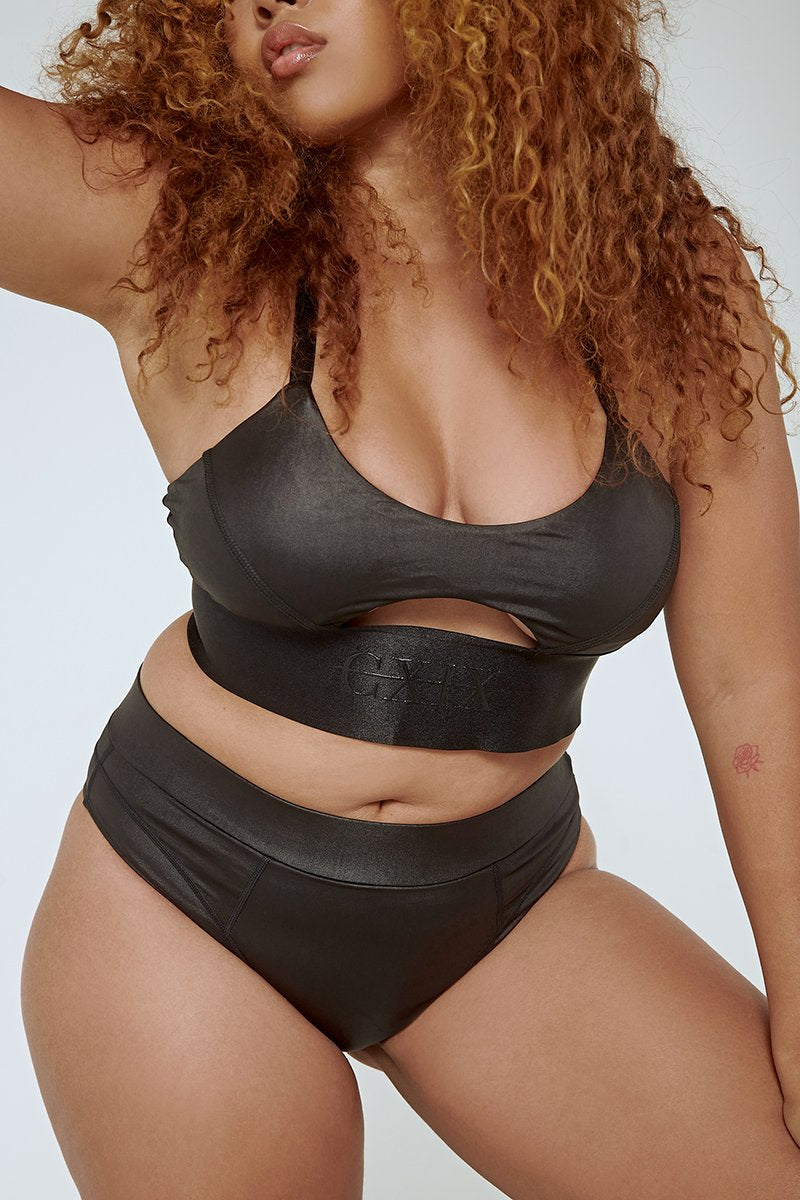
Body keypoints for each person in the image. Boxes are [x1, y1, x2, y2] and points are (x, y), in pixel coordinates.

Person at [7, 1, 800, 1196]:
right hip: (182, 891)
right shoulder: (174, 222)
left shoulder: (658, 275)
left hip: (503, 905)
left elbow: (755, 682)